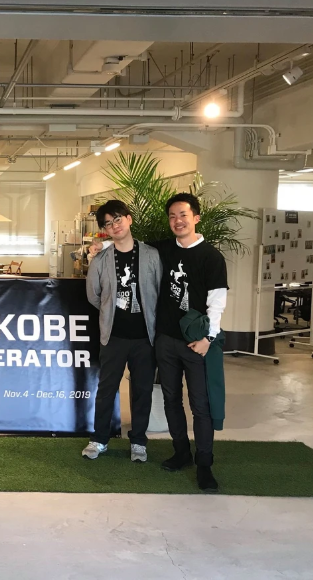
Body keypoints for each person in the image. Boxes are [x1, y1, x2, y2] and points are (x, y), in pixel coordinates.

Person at [90, 193, 228, 493]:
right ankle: (181, 452)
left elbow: (217, 302)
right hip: (164, 340)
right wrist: (102, 246)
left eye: (183, 215)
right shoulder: (163, 249)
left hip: (195, 342)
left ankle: (204, 464)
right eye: (173, 216)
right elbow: (127, 246)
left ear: (196, 217)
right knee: (170, 400)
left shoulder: (211, 257)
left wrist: (209, 337)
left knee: (200, 405)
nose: (178, 221)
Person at [83, 200, 162, 464]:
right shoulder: (101, 260)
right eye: (108, 223)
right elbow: (94, 295)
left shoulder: (151, 255)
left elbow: (159, 291)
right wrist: (110, 310)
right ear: (105, 230)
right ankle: (99, 439)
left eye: (118, 219)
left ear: (129, 219)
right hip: (113, 336)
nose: (114, 226)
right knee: (106, 389)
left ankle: (138, 441)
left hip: (145, 337)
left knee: (142, 391)